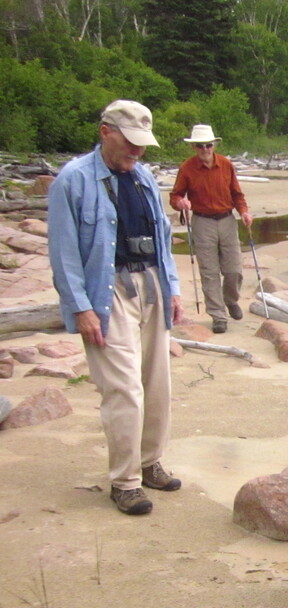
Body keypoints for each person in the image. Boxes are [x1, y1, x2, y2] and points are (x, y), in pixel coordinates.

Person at [48, 100, 185, 515]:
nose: (138, 151)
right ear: (106, 131)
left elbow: (162, 240)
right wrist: (81, 307)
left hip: (151, 288)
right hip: (106, 294)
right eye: (130, 142)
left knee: (157, 384)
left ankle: (149, 462)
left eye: (143, 144)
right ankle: (125, 482)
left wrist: (173, 289)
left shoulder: (143, 177)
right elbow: (63, 252)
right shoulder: (72, 180)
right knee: (124, 389)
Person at [169, 124, 253, 334]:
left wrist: (243, 212)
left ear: (214, 145)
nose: (205, 149)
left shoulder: (226, 164)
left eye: (208, 145)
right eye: (200, 146)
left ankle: (230, 299)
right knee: (209, 271)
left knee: (234, 270)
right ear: (194, 147)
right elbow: (175, 195)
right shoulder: (187, 168)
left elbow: (237, 194)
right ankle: (218, 315)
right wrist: (180, 203)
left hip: (227, 219)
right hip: (202, 221)